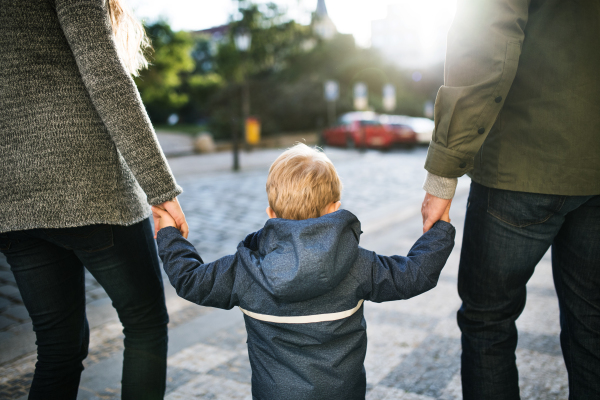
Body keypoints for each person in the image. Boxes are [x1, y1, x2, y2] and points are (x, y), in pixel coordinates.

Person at [153, 143, 455, 400]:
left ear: (271, 214)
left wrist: (168, 234)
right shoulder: (358, 265)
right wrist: (440, 227)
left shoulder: (242, 271)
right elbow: (416, 274)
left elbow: (190, 280)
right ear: (335, 208)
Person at [0, 0, 188, 399]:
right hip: (89, 184)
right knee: (145, 323)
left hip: (11, 195)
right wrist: (161, 189)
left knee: (57, 349)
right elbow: (104, 74)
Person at [420, 0, 600, 399]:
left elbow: (484, 41)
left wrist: (443, 173)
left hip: (522, 162)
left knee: (488, 322)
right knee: (592, 322)